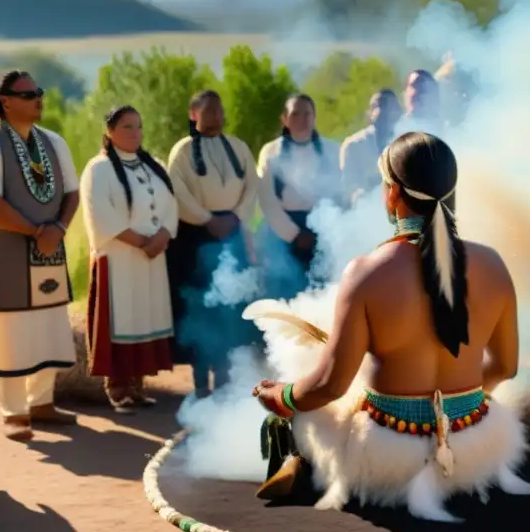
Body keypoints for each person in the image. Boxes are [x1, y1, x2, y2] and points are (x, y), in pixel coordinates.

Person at [250, 132, 530, 522]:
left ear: (392, 194)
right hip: (479, 448)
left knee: (304, 401)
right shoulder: (492, 264)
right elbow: (506, 367)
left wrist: (282, 397)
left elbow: (329, 386)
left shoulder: (367, 272)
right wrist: (459, 407)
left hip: (386, 458)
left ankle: (299, 465)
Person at [0, 71, 79, 442]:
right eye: (29, 94)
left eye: (39, 92)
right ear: (5, 101)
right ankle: (14, 412)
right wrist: (35, 231)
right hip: (8, 252)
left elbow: (72, 194)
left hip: (50, 248)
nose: (38, 99)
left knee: (49, 326)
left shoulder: (54, 142)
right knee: (11, 331)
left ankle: (42, 402)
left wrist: (57, 229)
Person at [81, 106, 178, 414]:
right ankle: (117, 387)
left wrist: (162, 236)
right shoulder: (98, 169)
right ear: (109, 131)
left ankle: (137, 386)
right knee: (120, 317)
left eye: (138, 126)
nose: (135, 133)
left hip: (151, 258)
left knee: (144, 316)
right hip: (120, 257)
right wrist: (140, 241)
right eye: (126, 127)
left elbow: (170, 205)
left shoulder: (154, 166)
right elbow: (99, 212)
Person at [167, 90, 259, 399]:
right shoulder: (181, 151)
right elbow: (177, 191)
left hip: (231, 234)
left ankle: (224, 377)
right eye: (209, 111)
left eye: (220, 111)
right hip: (195, 238)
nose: (217, 117)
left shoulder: (238, 147)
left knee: (229, 307)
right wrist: (207, 218)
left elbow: (252, 186)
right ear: (194, 114)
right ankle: (198, 381)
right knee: (199, 308)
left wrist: (235, 216)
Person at [258, 94, 342, 299]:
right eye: (295, 114)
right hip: (283, 231)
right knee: (286, 291)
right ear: (284, 119)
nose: (302, 120)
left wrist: (326, 230)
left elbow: (340, 193)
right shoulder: (271, 152)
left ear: (314, 117)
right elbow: (267, 201)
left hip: (324, 228)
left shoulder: (332, 150)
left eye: (307, 114)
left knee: (323, 290)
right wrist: (294, 234)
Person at [339, 89, 401, 204]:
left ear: (399, 112)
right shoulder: (353, 145)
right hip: (366, 208)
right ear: (369, 113)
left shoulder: (408, 141)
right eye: (380, 104)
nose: (384, 110)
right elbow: (348, 185)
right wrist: (358, 193)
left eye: (390, 106)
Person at [396, 70, 442, 137]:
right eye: (413, 86)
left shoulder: (448, 133)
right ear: (404, 93)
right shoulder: (395, 132)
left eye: (423, 88)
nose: (416, 92)